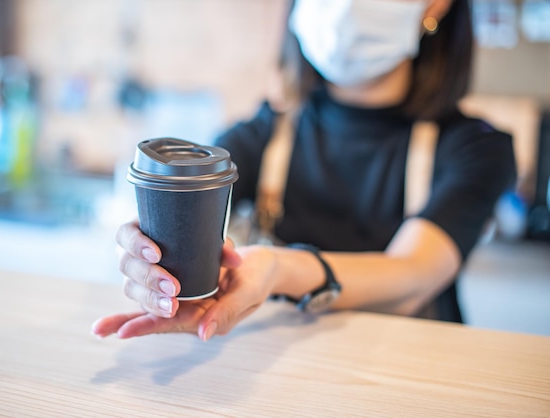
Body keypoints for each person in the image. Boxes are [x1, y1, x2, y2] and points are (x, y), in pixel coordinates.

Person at [92, 0, 516, 341]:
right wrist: (156, 250)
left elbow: (412, 273)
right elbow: (189, 206)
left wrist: (279, 268)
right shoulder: (264, 134)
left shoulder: (477, 149)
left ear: (438, 5)